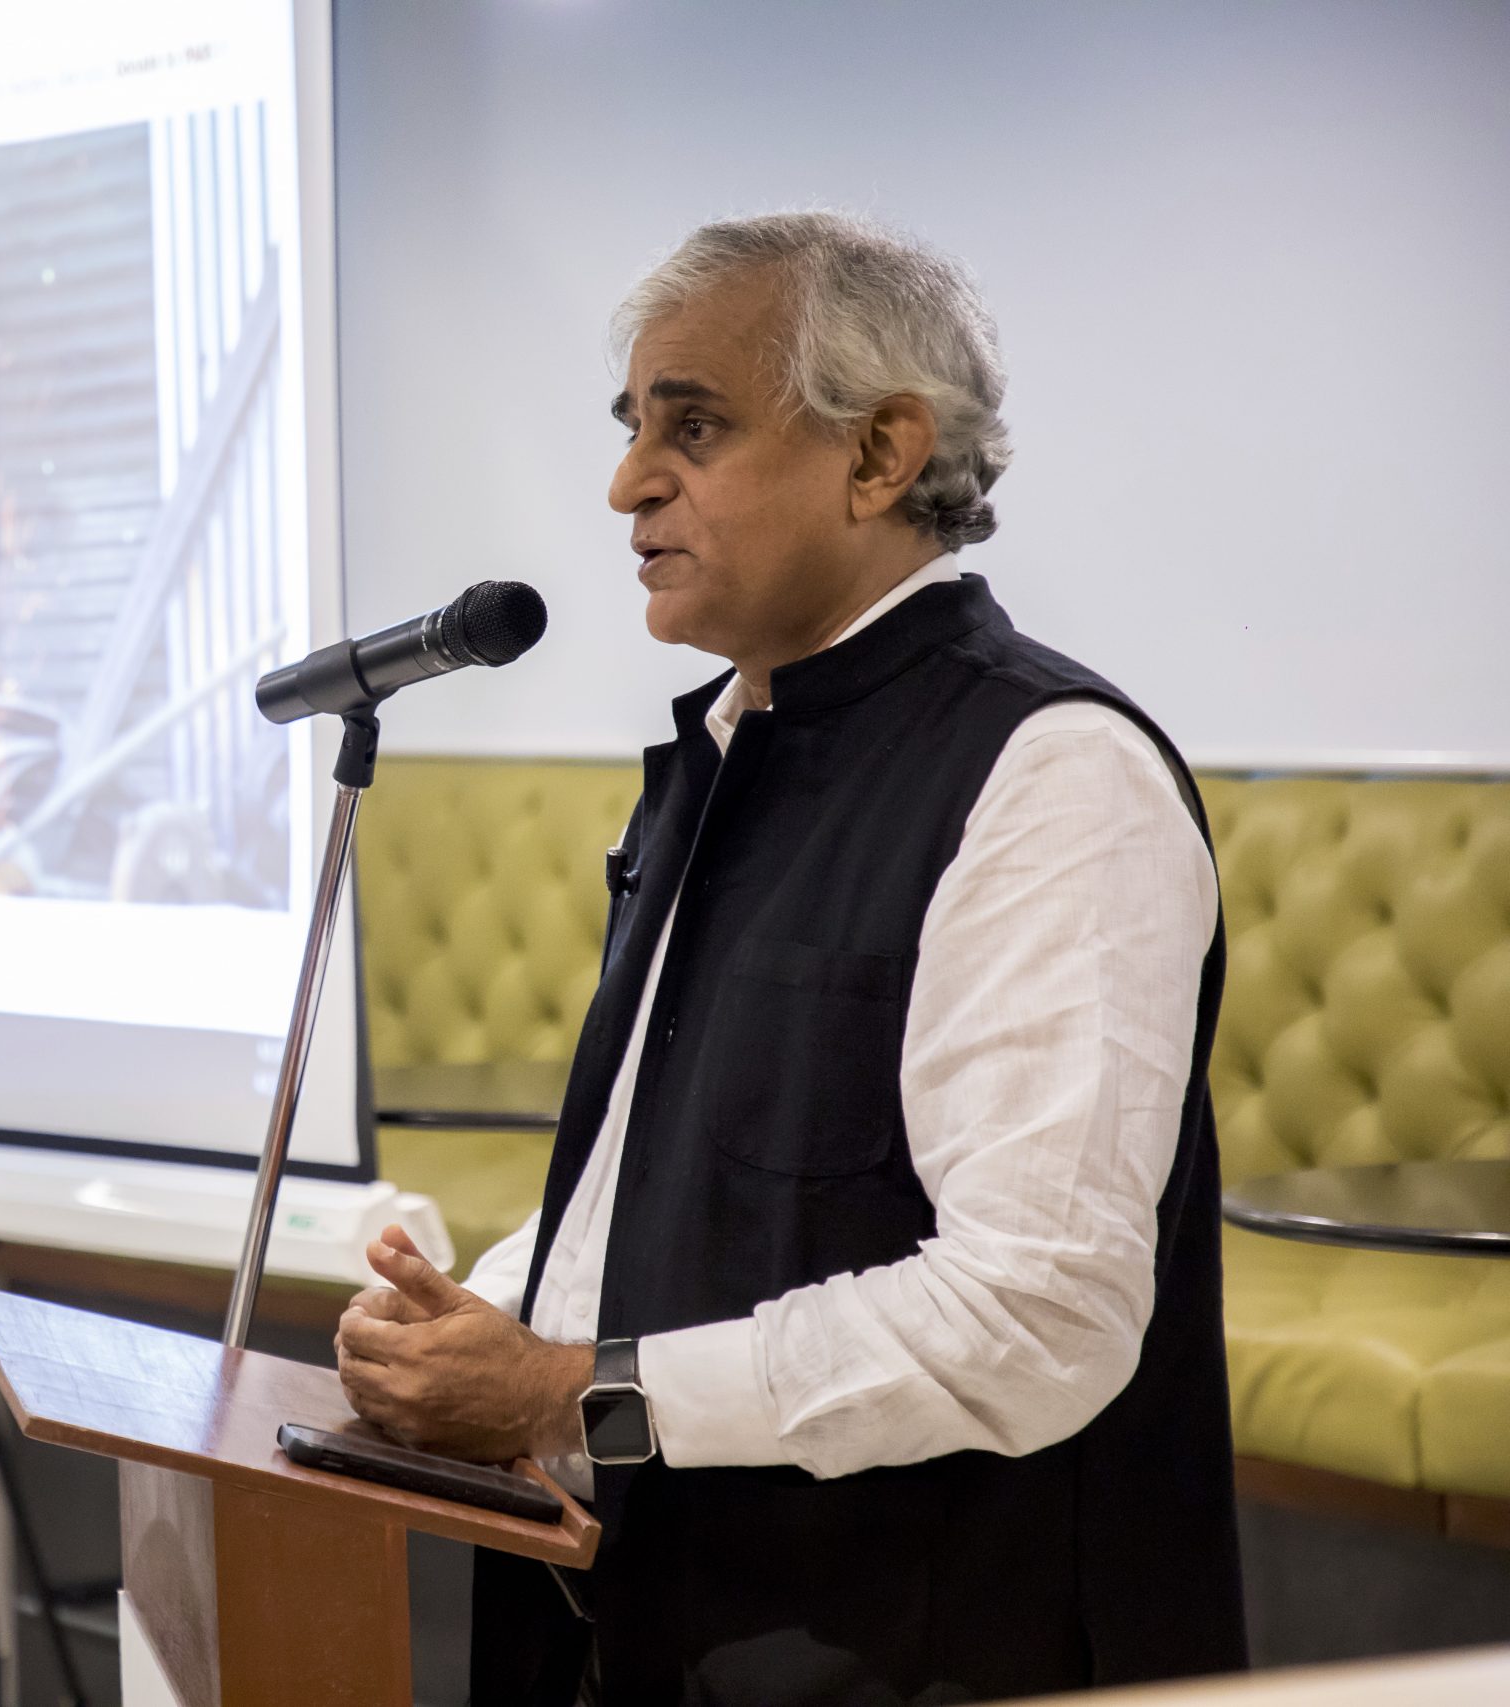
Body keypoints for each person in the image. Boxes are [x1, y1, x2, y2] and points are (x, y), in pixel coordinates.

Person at [334, 212, 1245, 1705]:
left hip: (925, 1639)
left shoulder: (1051, 774)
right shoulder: (728, 738)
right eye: (633, 427)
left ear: (881, 455)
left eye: (692, 426)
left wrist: (581, 1389)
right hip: (656, 1607)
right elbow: (668, 1158)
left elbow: (1040, 1312)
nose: (628, 482)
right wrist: (494, 1316)